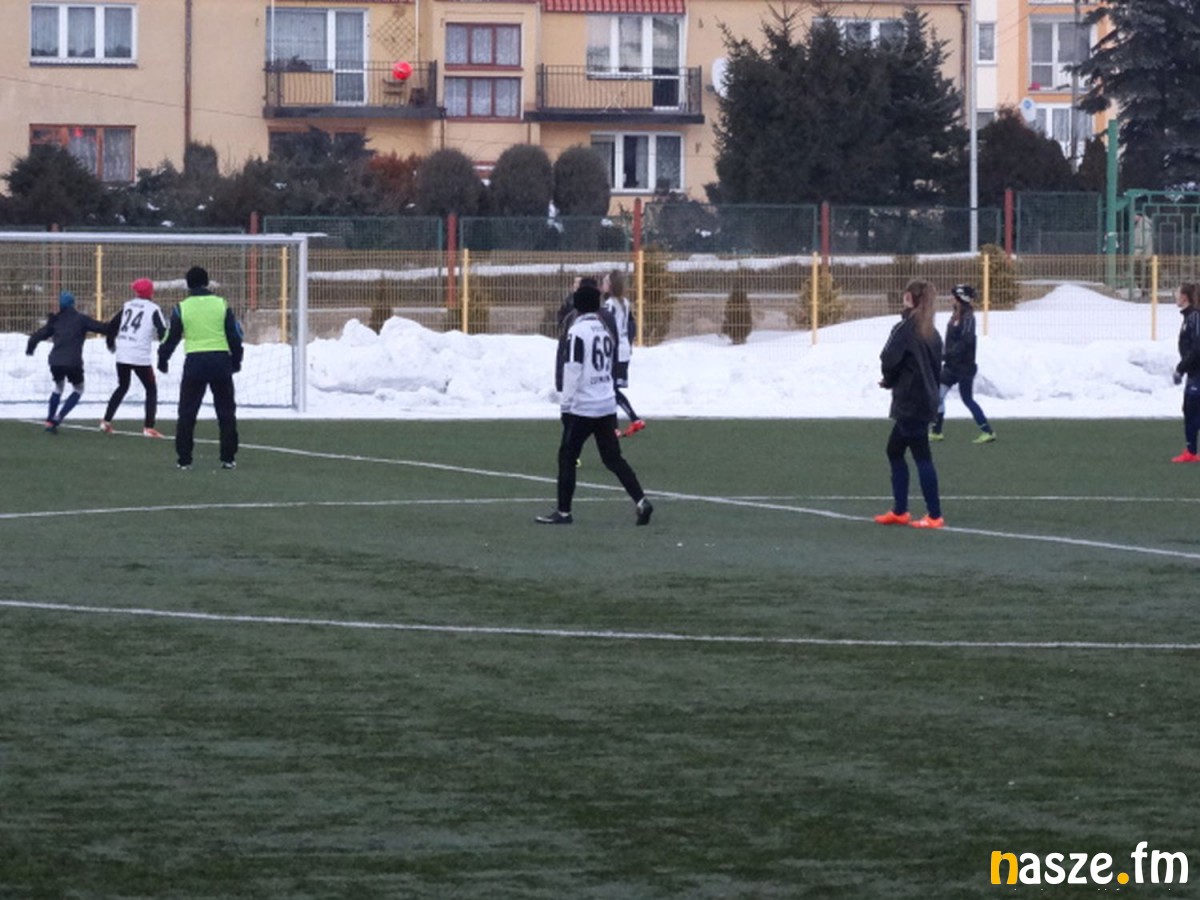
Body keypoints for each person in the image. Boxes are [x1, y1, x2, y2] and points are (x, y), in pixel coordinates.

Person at [536, 281, 653, 526]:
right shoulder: (604, 329)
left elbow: (573, 369)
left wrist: (566, 405)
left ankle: (564, 512)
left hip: (583, 407)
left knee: (567, 457)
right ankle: (641, 500)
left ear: (577, 306)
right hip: (606, 404)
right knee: (613, 459)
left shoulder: (577, 332)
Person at [157, 266, 244, 470]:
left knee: (187, 412)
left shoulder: (182, 307)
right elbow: (233, 334)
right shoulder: (221, 304)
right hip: (220, 360)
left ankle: (184, 459)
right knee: (226, 411)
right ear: (207, 282)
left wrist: (163, 358)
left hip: (195, 362)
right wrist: (236, 359)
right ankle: (228, 457)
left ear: (188, 284)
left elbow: (172, 336)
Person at [874, 279, 945, 529]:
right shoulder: (933, 333)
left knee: (921, 456)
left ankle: (934, 514)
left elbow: (888, 357)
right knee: (894, 450)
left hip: (910, 401)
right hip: (925, 399)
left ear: (910, 299)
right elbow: (936, 369)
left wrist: (890, 379)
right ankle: (900, 510)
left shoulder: (905, 328)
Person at [25, 291, 110, 433]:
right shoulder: (81, 319)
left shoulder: (55, 320)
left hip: (55, 361)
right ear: (73, 304)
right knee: (78, 389)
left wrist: (30, 348)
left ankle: (49, 420)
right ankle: (58, 418)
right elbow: (102, 328)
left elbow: (40, 335)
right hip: (73, 362)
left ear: (60, 304)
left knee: (58, 387)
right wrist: (116, 327)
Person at [930, 284, 995, 444]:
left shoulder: (968, 318)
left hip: (964, 368)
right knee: (938, 395)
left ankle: (987, 431)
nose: (950, 298)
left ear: (961, 298)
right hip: (951, 367)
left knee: (967, 399)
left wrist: (947, 354)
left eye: (954, 296)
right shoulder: (955, 316)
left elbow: (966, 341)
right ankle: (937, 431)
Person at [101, 278, 167, 437]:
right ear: (151, 292)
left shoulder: (127, 305)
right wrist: (164, 347)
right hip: (140, 356)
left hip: (122, 353)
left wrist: (110, 343)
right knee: (151, 389)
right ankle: (148, 427)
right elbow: (163, 331)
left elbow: (112, 325)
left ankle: (106, 421)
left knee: (123, 386)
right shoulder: (153, 308)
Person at [603, 268, 645, 437]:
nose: (603, 284)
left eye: (606, 281)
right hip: (624, 349)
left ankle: (632, 420)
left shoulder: (609, 304)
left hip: (615, 352)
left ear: (611, 285)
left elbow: (607, 327)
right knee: (611, 389)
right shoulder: (625, 302)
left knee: (610, 389)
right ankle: (618, 425)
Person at [1171, 282, 1200, 463]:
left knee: (1192, 411)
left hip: (1198, 373)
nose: (1175, 295)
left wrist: (1181, 368)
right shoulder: (1189, 317)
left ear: (1184, 297)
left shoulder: (1195, 317)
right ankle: (1191, 451)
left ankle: (1191, 451)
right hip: (1193, 372)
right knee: (1189, 410)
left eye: (1177, 292)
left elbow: (1197, 348)